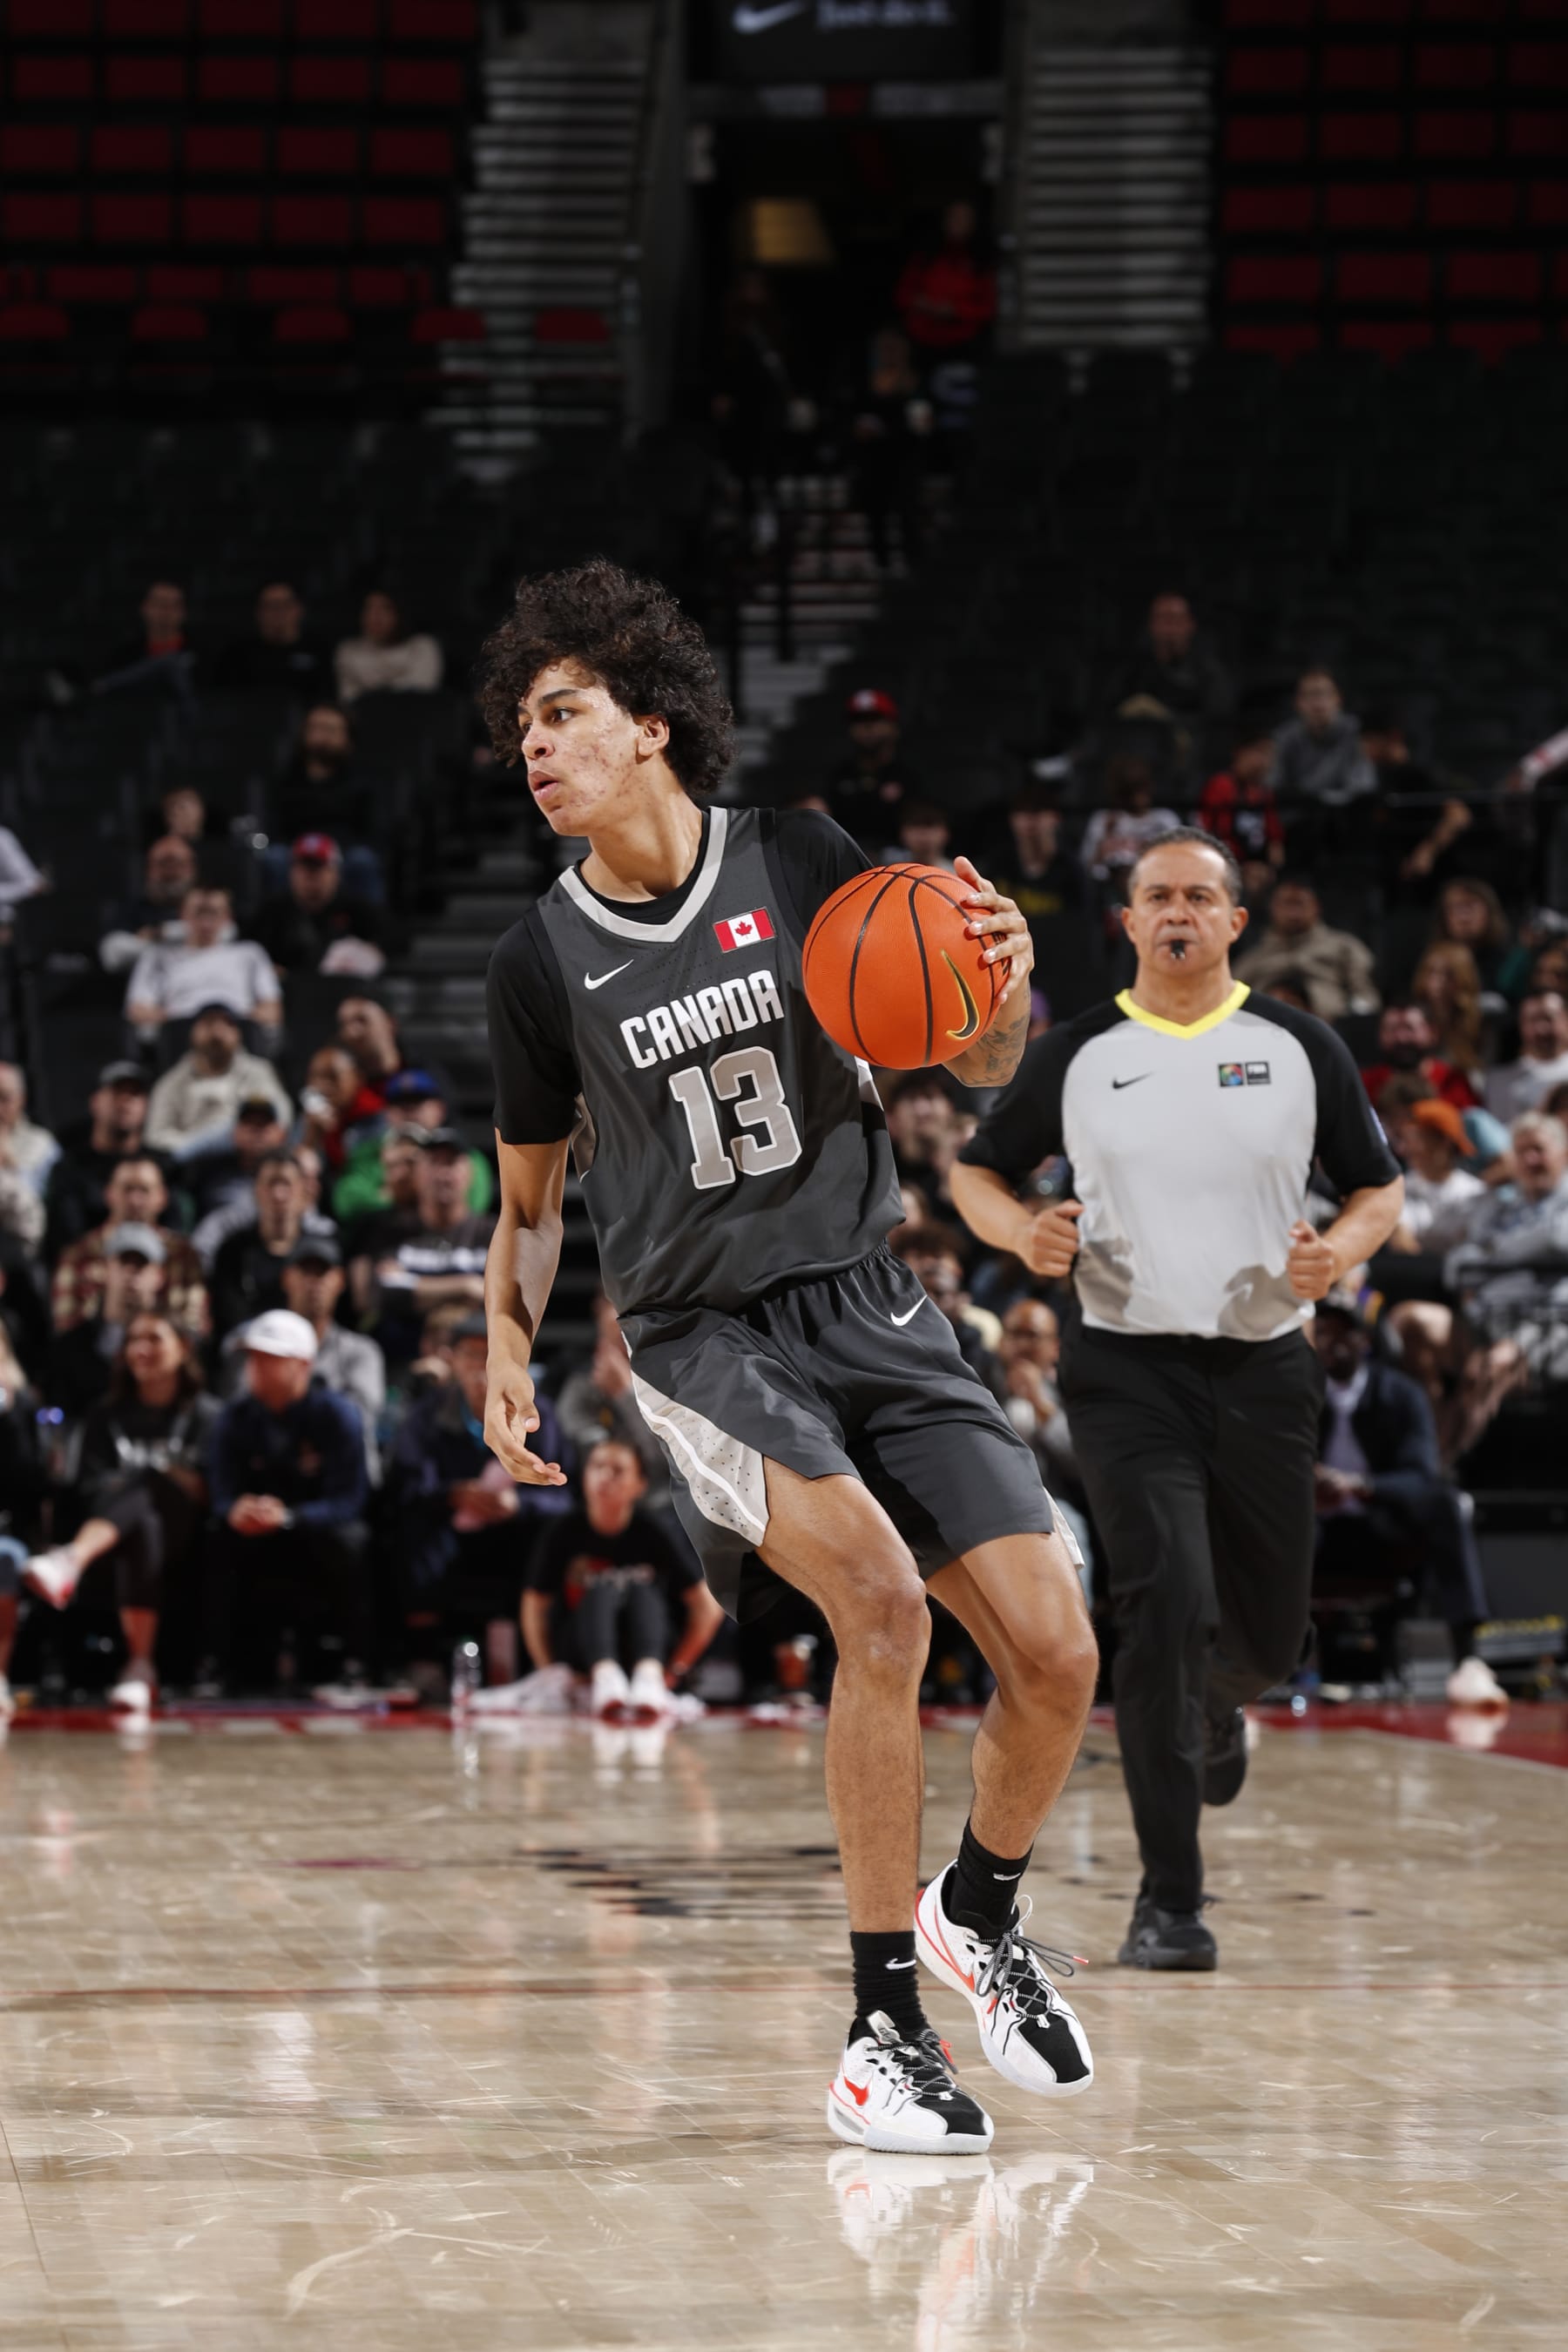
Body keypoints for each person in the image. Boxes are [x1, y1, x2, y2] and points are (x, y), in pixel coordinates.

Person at [480, 557, 1097, 2153]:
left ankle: (980, 1909)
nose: (536, 747)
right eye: (524, 728)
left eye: (565, 714)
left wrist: (1002, 990)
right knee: (881, 1605)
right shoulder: (537, 961)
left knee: (1057, 1653)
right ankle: (881, 2029)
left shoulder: (808, 857)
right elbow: (532, 1204)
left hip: (868, 1299)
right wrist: (503, 1346)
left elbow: (966, 1051)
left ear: (654, 725)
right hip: (701, 1337)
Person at [951, 826, 1403, 1972]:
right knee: (1164, 1611)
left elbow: (1378, 1190)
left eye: (1201, 897)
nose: (1178, 914)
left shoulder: (1302, 1048)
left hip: (1265, 1370)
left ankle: (1219, 1708)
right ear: (1129, 918)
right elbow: (974, 1172)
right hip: (1125, 1370)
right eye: (1158, 896)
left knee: (1262, 1635)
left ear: (1236, 920)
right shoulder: (1081, 1052)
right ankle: (1170, 1902)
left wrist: (1336, 1254)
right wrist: (1025, 1233)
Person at [21, 1312, 219, 1711]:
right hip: (120, 1539)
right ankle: (140, 1666)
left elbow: (211, 1489)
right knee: (142, 1519)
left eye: (154, 1338)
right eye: (132, 1340)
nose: (140, 1349)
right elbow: (89, 1488)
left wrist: (161, 1477)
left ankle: (70, 1561)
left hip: (190, 1538)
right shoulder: (106, 1413)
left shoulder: (208, 1415)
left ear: (183, 1348)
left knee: (149, 1480)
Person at [1311, 1294, 1500, 1703]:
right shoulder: (1296, 1393)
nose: (1330, 1343)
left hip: (1381, 1530)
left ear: (1365, 1340)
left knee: (1447, 1504)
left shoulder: (1401, 1393)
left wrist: (1360, 1485)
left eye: (1342, 1333)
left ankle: (1469, 1661)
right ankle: (1239, 1663)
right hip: (1313, 1534)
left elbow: (1421, 1476)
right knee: (1254, 1516)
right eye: (1321, 1333)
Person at [389, 1313, 568, 1688]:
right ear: (451, 1358)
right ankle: (425, 1660)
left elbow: (562, 1494)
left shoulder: (537, 1415)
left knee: (552, 1534)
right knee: (412, 1530)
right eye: (471, 1354)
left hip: (516, 1528)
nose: (482, 1367)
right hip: (451, 1526)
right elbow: (408, 1487)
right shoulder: (425, 1416)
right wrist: (455, 1494)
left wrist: (518, 1504)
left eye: (492, 1355)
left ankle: (542, 1662)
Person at [203, 1309, 372, 1694]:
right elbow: (221, 1490)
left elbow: (350, 1500)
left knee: (350, 1540)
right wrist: (235, 1509)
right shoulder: (234, 1417)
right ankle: (223, 1665)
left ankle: (351, 1662)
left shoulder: (338, 1414)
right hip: (255, 1530)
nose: (256, 1368)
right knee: (217, 1538)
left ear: (303, 1366)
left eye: (270, 1359)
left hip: (314, 1526)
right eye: (253, 1358)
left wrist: (290, 1516)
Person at [518, 1438, 724, 1714]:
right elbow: (534, 1607)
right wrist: (550, 1671)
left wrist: (675, 1669)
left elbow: (707, 1607)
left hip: (646, 1650)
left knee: (641, 1591)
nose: (605, 1477)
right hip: (582, 1656)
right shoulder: (563, 1531)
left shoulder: (654, 1530)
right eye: (597, 1466)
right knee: (602, 1589)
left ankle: (647, 1677)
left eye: (617, 1470)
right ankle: (606, 1675)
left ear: (640, 1485)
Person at [370, 1129, 492, 1367]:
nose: (443, 1174)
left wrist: (415, 1286)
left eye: (451, 1163)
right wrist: (466, 1286)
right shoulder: (392, 1231)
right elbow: (385, 1293)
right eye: (434, 1163)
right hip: (403, 1366)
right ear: (417, 1174)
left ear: (469, 1173)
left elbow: (504, 1299)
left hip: (479, 1367)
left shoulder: (491, 1233)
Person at [51, 1156, 206, 1338]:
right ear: (109, 1194)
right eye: (127, 1190)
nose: (135, 1200)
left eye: (144, 1191)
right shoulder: (78, 1253)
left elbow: (196, 1331)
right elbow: (65, 1329)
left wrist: (153, 1320)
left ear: (162, 1198)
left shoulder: (183, 1253)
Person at [125, 886, 281, 1039]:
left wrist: (223, 1025)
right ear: (183, 914)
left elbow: (272, 1011)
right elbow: (138, 1011)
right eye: (199, 912)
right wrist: (187, 1022)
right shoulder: (158, 955)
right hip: (181, 1039)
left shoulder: (250, 953)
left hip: (237, 1037)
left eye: (213, 912)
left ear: (227, 917)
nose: (206, 921)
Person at [143, 1004, 291, 1159]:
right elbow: (155, 1136)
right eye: (209, 1023)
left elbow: (281, 1118)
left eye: (227, 1024)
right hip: (191, 1168)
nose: (217, 1032)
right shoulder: (171, 1082)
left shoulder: (258, 1072)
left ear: (239, 1034)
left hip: (246, 1162)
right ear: (192, 1032)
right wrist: (206, 1144)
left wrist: (254, 1136)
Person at [1115, 593, 1236, 781]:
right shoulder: (1135, 670)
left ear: (1190, 625)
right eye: (1162, 620)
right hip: (1138, 759)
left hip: (1189, 758)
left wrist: (1167, 719)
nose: (1169, 628)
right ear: (1152, 626)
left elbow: (1217, 720)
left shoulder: (1208, 671)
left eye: (1175, 619)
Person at [209, 1151, 328, 1340]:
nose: (279, 1195)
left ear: (303, 1192)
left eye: (286, 1184)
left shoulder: (322, 1251)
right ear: (255, 1191)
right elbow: (228, 1314)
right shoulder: (233, 1250)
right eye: (272, 1183)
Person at [1233, 872, 1381, 1022]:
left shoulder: (1344, 947)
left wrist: (1352, 1022)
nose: (1293, 912)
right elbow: (1229, 1002)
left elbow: (1366, 996)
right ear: (1272, 908)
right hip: (1263, 1033)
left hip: (1332, 1029)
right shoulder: (1251, 960)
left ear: (1316, 906)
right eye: (1286, 903)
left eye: (1299, 903)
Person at [44, 1063, 154, 1260]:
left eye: (135, 1094)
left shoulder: (162, 1167)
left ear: (146, 1106)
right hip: (86, 1267)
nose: (126, 1101)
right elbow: (66, 1239)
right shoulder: (70, 1168)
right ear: (95, 1102)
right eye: (116, 1093)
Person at [556, 1293, 666, 1490]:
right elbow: (577, 1454)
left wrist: (625, 1395)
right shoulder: (574, 1374)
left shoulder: (667, 1377)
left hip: (659, 1502)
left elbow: (665, 1465)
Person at [247, 835, 386, 979]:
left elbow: (388, 945)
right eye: (304, 869)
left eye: (318, 868)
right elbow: (251, 952)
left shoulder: (358, 908)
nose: (311, 877)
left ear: (335, 873)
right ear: (291, 873)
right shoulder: (273, 910)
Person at [267, 705, 378, 873]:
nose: (322, 737)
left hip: (343, 858)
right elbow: (274, 830)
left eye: (330, 730)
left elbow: (371, 834)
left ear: (348, 739)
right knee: (274, 857)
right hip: (295, 858)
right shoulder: (285, 783)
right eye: (316, 728)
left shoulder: (362, 785)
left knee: (362, 859)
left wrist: (329, 853)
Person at [1382, 1097, 1487, 1257]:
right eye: (1406, 1140)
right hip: (1412, 1273)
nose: (1407, 1149)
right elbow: (1400, 1238)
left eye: (1416, 1139)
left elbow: (1474, 1246)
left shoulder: (1475, 1192)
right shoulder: (1401, 1187)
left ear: (1444, 1143)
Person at [825, 689, 927, 849]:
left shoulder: (909, 776)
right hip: (849, 859)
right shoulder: (839, 776)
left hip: (902, 862)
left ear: (894, 726)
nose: (867, 727)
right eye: (859, 720)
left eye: (875, 719)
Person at [1267, 669, 1375, 811]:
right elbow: (1272, 785)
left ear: (1338, 698)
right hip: (1300, 817)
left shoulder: (1357, 732)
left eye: (1325, 694)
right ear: (1298, 703)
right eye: (1310, 696)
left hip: (1347, 815)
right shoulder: (1284, 737)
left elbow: (1364, 785)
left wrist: (1325, 799)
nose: (1318, 703)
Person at [99, 835, 199, 974]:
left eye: (177, 864)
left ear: (192, 869)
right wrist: (188, 942)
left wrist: (158, 935)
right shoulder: (131, 910)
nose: (170, 873)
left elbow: (226, 935)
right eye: (163, 864)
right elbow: (111, 954)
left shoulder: (208, 906)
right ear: (149, 869)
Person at [1079, 758, 1181, 894]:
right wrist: (1103, 846)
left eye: (1141, 786)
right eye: (1130, 788)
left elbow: (1179, 865)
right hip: (1108, 896)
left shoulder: (1164, 820)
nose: (1137, 796)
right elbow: (1086, 868)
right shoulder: (1104, 820)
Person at [1360, 1001, 1479, 1114]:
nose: (1401, 1038)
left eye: (1409, 1028)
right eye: (1392, 1029)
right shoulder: (1365, 1085)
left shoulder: (1453, 1082)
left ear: (1432, 1033)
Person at [214, 580, 328, 697]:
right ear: (259, 612)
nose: (278, 613)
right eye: (271, 606)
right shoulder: (237, 654)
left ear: (299, 609)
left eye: (285, 605)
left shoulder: (319, 650)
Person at [1197, 736, 1285, 882]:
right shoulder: (1221, 786)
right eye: (1258, 753)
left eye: (1268, 755)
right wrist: (1240, 867)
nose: (1263, 761)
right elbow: (1213, 834)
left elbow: (1275, 840)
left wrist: (1273, 870)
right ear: (1240, 753)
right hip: (1225, 864)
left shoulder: (1265, 793)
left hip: (1257, 866)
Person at [333, 589, 443, 705]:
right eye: (368, 608)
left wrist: (374, 694)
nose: (375, 616)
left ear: (400, 612)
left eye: (385, 608)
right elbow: (349, 699)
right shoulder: (349, 650)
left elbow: (420, 690)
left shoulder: (422, 646)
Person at [1485, 989, 1568, 1126]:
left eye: (1548, 1018)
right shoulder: (1498, 1080)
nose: (1541, 1029)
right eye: (1533, 1020)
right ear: (1521, 1025)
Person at [1411, 940, 1484, 1083]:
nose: (1439, 982)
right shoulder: (1414, 1017)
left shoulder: (1479, 1020)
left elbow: (1479, 1069)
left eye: (1448, 975)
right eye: (1432, 972)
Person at [0, 1063, 58, 1202]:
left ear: (22, 1100)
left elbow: (44, 1201)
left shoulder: (42, 1144)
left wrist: (9, 1164)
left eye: (5, 1098)